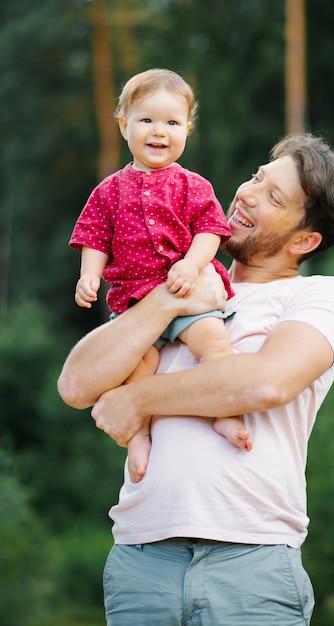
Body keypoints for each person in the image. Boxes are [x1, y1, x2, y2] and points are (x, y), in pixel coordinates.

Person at [58, 132, 334, 625]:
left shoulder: (319, 298)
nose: (246, 193)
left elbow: (265, 383)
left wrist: (136, 400)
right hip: (142, 562)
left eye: (273, 197)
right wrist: (168, 299)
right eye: (255, 178)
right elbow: (76, 385)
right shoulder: (172, 283)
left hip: (251, 562)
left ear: (304, 241)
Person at [69, 68, 251, 483]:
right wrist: (90, 276)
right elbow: (94, 236)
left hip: (185, 291)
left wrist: (190, 263)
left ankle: (225, 413)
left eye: (172, 122)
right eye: (146, 120)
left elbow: (210, 230)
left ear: (187, 128)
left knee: (214, 343)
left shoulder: (193, 184)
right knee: (137, 370)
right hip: (134, 303)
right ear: (124, 125)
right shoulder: (109, 191)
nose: (159, 131)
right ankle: (138, 437)